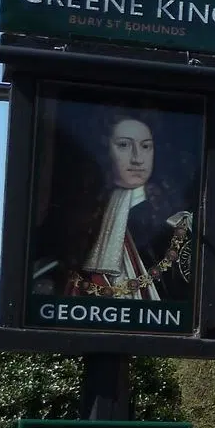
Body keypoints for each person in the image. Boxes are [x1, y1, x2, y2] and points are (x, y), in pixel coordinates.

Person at [30, 106, 195, 302]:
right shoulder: (77, 218)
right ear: (106, 149)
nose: (136, 158)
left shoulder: (172, 224)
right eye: (124, 145)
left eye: (145, 146)